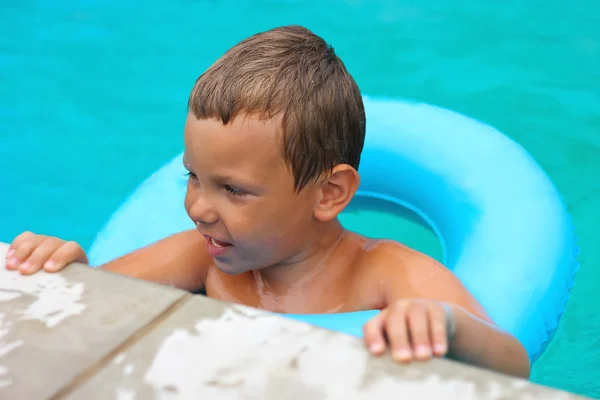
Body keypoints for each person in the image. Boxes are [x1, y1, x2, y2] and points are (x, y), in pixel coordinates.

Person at [3, 25, 530, 378]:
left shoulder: (385, 273)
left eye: (232, 190)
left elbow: (514, 368)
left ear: (329, 193)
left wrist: (446, 324)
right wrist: (66, 267)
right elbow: (95, 299)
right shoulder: (200, 256)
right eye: (193, 177)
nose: (199, 209)